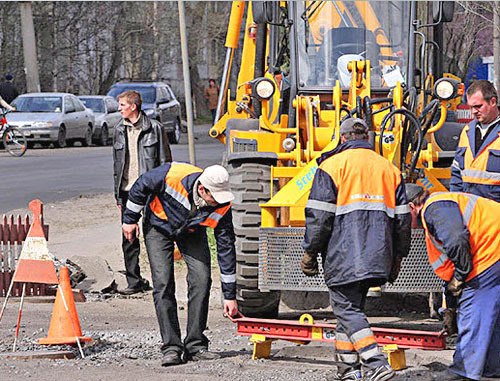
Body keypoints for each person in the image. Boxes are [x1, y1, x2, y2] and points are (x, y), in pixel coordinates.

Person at [301, 118, 411, 381]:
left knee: (347, 311)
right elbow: (403, 220)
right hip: (378, 255)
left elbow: (319, 217)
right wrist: (397, 258)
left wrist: (309, 252)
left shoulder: (332, 166)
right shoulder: (389, 168)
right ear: (367, 138)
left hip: (344, 256)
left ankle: (375, 362)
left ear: (342, 139)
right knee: (350, 312)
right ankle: (349, 371)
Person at [122, 162, 239, 366]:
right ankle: (171, 347)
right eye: (214, 197)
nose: (218, 203)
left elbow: (226, 248)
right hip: (158, 226)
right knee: (163, 283)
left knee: (202, 279)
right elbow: (141, 185)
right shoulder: (172, 175)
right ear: (202, 189)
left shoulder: (222, 204)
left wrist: (229, 295)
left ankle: (195, 345)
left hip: (192, 231)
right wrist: (130, 219)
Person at [407, 185, 500, 381]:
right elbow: (450, 267)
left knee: (474, 310)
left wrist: (461, 275)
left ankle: (464, 369)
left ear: (410, 208)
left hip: (491, 250)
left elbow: (457, 241)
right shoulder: (438, 210)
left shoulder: (435, 207)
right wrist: (449, 307)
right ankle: (492, 367)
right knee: (491, 315)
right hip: (491, 248)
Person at [113, 90, 172, 295]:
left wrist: (163, 193)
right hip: (128, 191)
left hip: (151, 192)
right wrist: (118, 195)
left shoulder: (155, 128)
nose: (119, 108)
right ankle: (134, 281)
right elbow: (117, 165)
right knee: (128, 237)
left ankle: (162, 281)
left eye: (122, 105)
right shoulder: (119, 129)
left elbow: (166, 164)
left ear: (133, 106)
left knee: (155, 235)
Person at [450, 80, 500, 201]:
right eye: (471, 107)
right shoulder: (467, 131)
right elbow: (457, 172)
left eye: (478, 106)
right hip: (469, 209)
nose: (473, 111)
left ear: (493, 102)